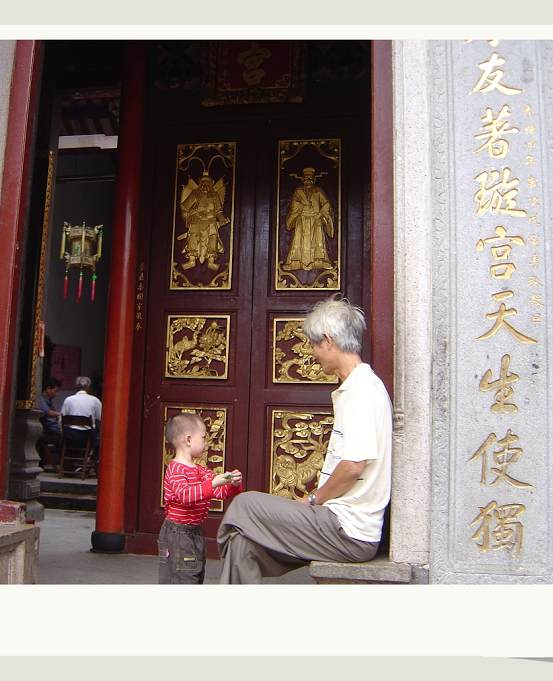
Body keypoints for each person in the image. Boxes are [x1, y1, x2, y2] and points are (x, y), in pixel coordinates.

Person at [217, 296, 392, 583]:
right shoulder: (357, 388)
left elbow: (353, 466)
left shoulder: (362, 390)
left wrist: (313, 500)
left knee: (243, 505)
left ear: (328, 340)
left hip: (347, 529)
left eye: (313, 345)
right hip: (336, 523)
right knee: (242, 543)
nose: (312, 353)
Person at [160, 412, 242, 584]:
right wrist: (213, 483)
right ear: (188, 440)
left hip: (195, 531)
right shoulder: (175, 469)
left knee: (196, 573)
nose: (206, 442)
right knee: (184, 577)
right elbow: (185, 495)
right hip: (178, 533)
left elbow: (219, 492)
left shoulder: (200, 470)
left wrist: (233, 484)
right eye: (203, 437)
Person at [283, 167, 334, 271]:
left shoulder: (318, 191)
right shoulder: (298, 192)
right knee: (298, 239)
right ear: (303, 180)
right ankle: (295, 262)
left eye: (310, 178)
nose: (308, 180)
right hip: (301, 218)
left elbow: (326, 204)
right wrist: (302, 206)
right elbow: (294, 205)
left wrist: (320, 214)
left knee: (317, 239)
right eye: (306, 178)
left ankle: (319, 261)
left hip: (315, 218)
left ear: (313, 179)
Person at [179, 172, 229, 271]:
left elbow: (218, 211)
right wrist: (192, 212)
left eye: (207, 182)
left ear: (212, 183)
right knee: (193, 237)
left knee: (212, 238)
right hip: (196, 220)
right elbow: (185, 207)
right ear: (199, 183)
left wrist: (222, 219)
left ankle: (211, 260)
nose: (205, 185)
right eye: (203, 182)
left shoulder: (214, 195)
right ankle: (191, 259)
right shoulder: (195, 193)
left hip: (210, 220)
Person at [60, 376, 102, 452]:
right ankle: (90, 455)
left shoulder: (68, 399)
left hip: (70, 435)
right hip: (87, 435)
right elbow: (100, 418)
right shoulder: (95, 400)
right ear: (88, 387)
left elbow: (62, 418)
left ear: (76, 386)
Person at [35, 377, 62, 469]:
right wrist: (61, 414)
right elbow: (48, 412)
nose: (56, 394)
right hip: (46, 431)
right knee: (62, 439)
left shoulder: (49, 401)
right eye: (55, 391)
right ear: (48, 389)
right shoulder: (41, 399)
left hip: (51, 429)